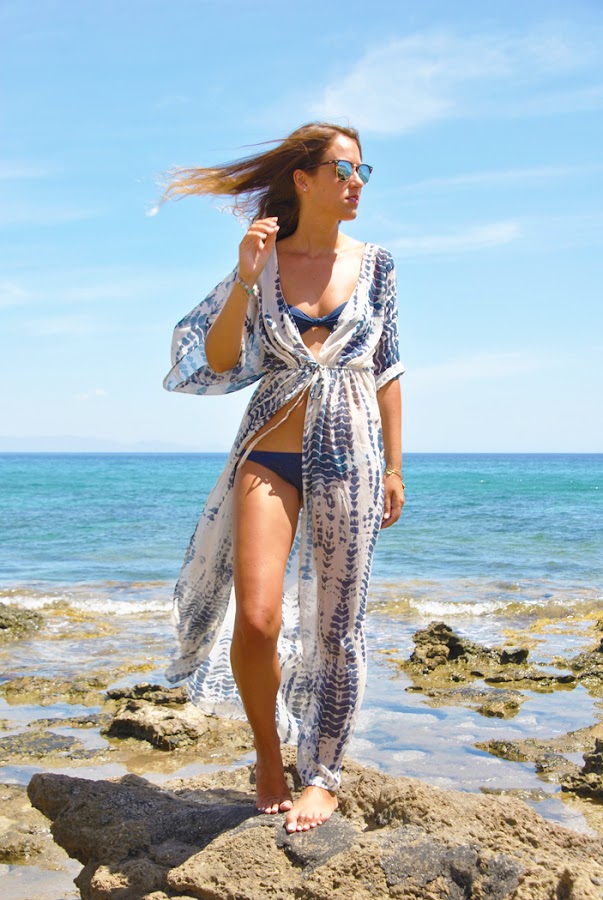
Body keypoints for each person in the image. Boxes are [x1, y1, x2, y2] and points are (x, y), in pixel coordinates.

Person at [162, 122, 405, 833]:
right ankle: (269, 755)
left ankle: (322, 774)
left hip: (351, 455)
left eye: (363, 171)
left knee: (338, 627)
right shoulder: (263, 263)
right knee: (258, 618)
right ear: (303, 180)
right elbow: (216, 356)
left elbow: (388, 368)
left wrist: (395, 467)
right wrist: (244, 276)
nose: (356, 183)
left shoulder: (377, 264)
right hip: (268, 453)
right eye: (343, 170)